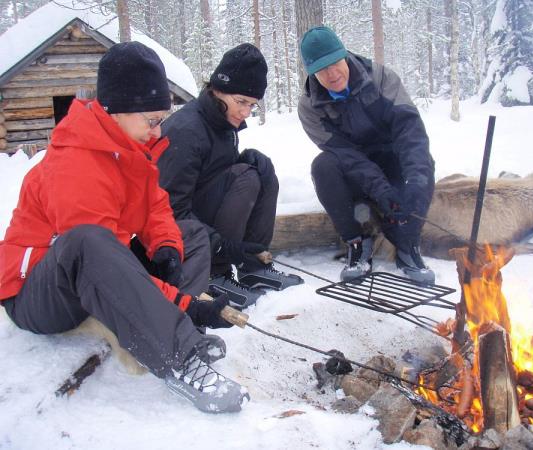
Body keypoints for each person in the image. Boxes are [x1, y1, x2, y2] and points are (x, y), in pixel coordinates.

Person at [0, 42, 248, 413]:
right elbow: (102, 263)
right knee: (88, 242)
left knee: (189, 235)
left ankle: (174, 325)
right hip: (37, 292)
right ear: (116, 111)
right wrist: (186, 301)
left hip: (95, 269)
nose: (158, 129)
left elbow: (156, 207)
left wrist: (165, 244)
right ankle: (179, 356)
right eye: (152, 120)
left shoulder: (129, 148)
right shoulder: (76, 166)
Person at [157, 43, 303, 308]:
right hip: (180, 241)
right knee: (246, 177)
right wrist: (221, 247)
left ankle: (253, 266)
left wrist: (242, 160)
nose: (246, 112)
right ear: (217, 89)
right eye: (241, 102)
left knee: (261, 167)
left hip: (202, 221)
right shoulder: (186, 131)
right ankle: (214, 274)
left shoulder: (221, 122)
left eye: (252, 105)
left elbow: (211, 175)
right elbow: (169, 209)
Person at [298, 26, 436, 284]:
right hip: (355, 172)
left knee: (422, 163)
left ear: (345, 54)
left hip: (392, 159)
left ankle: (408, 244)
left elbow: (411, 134)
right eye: (321, 69)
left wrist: (416, 184)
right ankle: (356, 242)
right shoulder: (310, 107)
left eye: (335, 63)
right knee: (323, 166)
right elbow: (346, 155)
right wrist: (380, 190)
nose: (332, 74)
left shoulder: (381, 78)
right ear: (311, 72)